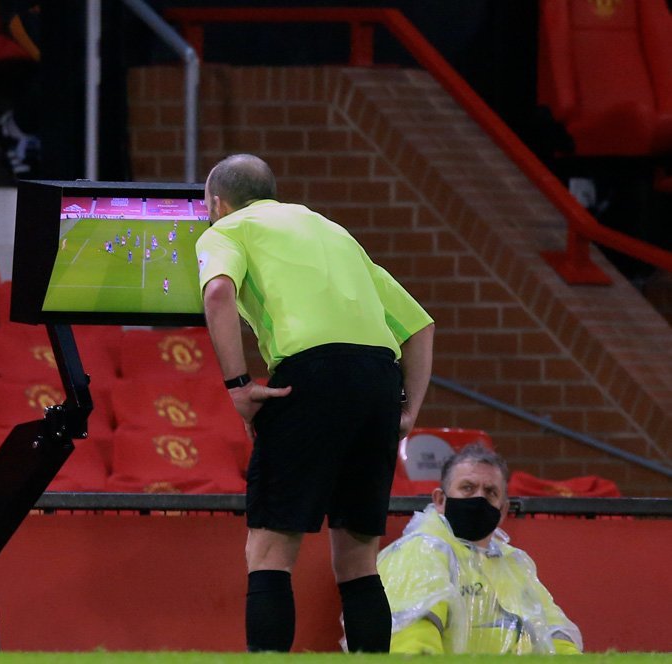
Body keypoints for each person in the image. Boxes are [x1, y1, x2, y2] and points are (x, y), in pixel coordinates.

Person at [195, 154, 435, 653]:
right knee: (358, 559)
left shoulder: (227, 228)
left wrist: (238, 385)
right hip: (378, 381)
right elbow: (420, 325)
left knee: (269, 550)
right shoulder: (332, 229)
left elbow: (218, 293)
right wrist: (406, 411)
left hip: (311, 375)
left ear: (217, 202)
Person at [377, 444, 582, 655]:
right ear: (440, 500)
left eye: (490, 492)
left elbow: (555, 632)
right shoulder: (420, 552)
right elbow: (412, 642)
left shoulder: (514, 563)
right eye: (467, 488)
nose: (479, 498)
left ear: (503, 510)